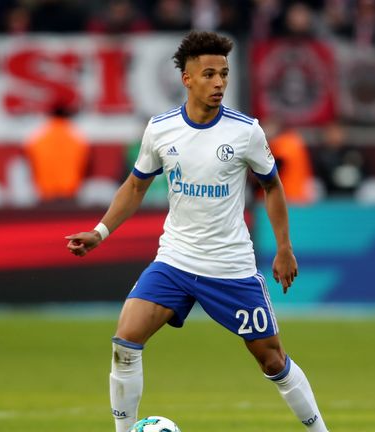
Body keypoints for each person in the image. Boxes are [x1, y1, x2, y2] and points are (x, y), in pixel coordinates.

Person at [65, 31, 330, 432]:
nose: (220, 82)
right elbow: (135, 185)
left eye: (224, 74)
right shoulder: (161, 129)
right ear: (187, 79)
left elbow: (271, 186)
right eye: (209, 74)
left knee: (272, 359)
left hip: (229, 266)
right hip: (174, 259)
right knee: (125, 342)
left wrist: (284, 248)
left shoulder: (246, 132)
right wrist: (100, 232)